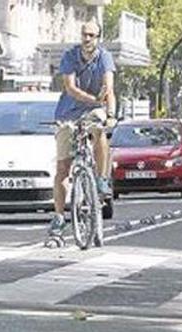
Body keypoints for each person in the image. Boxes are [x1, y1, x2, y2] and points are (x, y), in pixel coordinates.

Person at [48, 20, 117, 239]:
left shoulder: (104, 57)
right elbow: (70, 88)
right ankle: (59, 218)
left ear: (98, 38)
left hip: (94, 111)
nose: (87, 39)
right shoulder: (70, 56)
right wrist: (94, 99)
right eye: (84, 34)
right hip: (67, 113)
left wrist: (111, 114)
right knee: (62, 168)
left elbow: (110, 89)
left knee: (99, 129)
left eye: (91, 35)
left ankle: (101, 179)